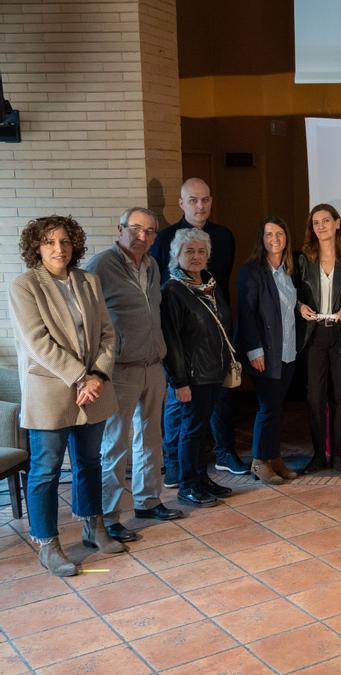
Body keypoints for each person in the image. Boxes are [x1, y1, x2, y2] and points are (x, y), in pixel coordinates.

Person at [10, 216, 126, 576]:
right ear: (36, 248)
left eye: (64, 241)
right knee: (45, 470)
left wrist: (97, 375)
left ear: (74, 244)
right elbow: (38, 342)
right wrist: (80, 377)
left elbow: (108, 333)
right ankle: (48, 544)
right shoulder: (25, 285)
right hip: (51, 391)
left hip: (94, 389)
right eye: (48, 242)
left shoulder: (88, 281)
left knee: (89, 462)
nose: (58, 249)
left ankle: (95, 527)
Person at [84, 208, 183, 544]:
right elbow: (86, 321)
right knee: (115, 446)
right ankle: (108, 517)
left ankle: (148, 500)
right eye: (136, 229)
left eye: (150, 231)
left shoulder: (153, 265)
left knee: (150, 439)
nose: (143, 237)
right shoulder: (99, 267)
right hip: (120, 370)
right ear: (120, 228)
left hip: (153, 365)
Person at [150, 178, 243, 475]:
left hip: (215, 331)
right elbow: (160, 287)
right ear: (181, 203)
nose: (199, 206)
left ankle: (223, 452)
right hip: (181, 335)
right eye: (193, 200)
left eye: (204, 199)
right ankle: (177, 465)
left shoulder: (224, 236)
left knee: (221, 396)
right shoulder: (165, 239)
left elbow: (221, 283)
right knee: (179, 401)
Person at [161, 227, 235, 508]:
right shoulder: (173, 291)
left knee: (201, 429)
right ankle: (188, 485)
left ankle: (201, 478)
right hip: (192, 376)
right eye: (189, 251)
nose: (196, 256)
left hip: (213, 371)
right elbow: (172, 341)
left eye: (201, 251)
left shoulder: (208, 286)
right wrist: (179, 381)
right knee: (190, 431)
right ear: (176, 255)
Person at [237, 217, 300, 485]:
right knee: (267, 407)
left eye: (279, 234)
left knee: (276, 406)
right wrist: (254, 350)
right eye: (268, 234)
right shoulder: (252, 271)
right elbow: (247, 313)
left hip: (287, 351)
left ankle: (273, 457)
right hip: (264, 352)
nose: (275, 239)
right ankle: (259, 461)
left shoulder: (288, 270)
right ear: (260, 240)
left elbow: (288, 307)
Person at [295, 204, 341, 475]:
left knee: (340, 397)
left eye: (325, 221)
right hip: (313, 335)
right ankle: (319, 455)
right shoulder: (302, 260)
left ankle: (339, 454)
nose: (320, 226)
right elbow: (290, 293)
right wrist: (299, 306)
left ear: (337, 224)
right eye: (315, 223)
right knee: (314, 397)